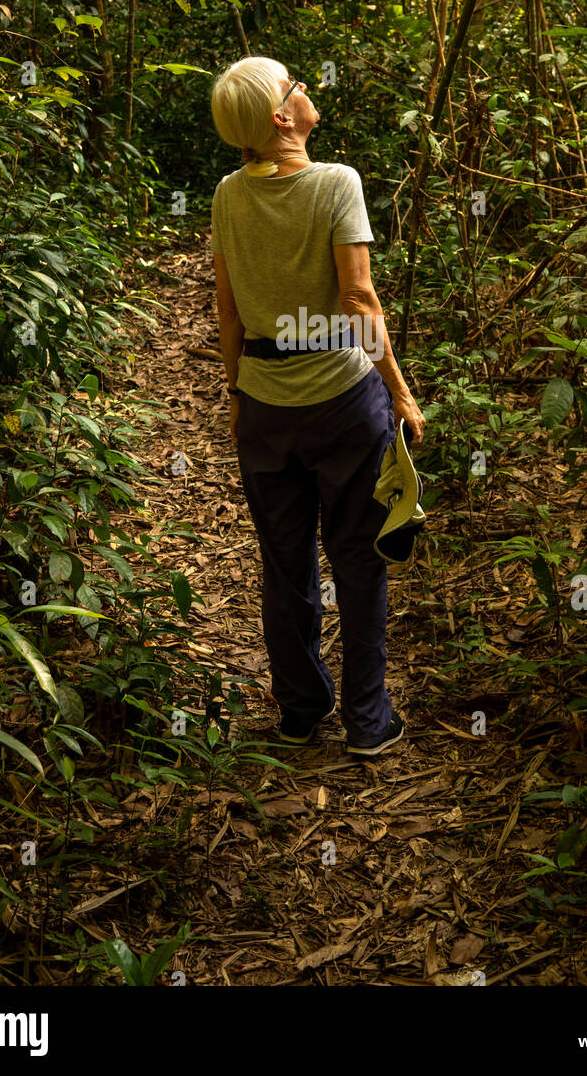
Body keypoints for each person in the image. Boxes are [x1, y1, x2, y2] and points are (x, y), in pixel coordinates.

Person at [209, 56, 425, 756]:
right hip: (340, 396)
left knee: (285, 561)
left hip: (266, 403)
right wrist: (398, 388)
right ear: (282, 117)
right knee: (358, 559)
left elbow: (230, 309)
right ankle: (367, 720)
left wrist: (238, 392)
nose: (308, 92)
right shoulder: (337, 183)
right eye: (296, 85)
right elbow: (359, 299)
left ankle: (301, 711)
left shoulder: (226, 195)